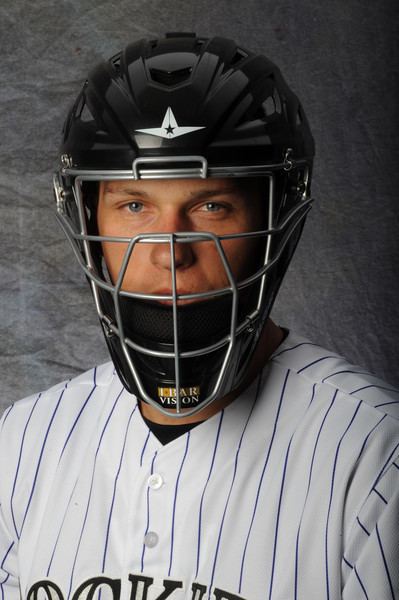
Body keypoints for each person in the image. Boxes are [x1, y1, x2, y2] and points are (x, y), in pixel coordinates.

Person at [0, 33, 398, 600]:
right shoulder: (21, 444)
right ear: (90, 218)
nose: (169, 248)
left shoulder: (376, 458)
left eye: (211, 205)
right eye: (135, 205)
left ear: (276, 216)